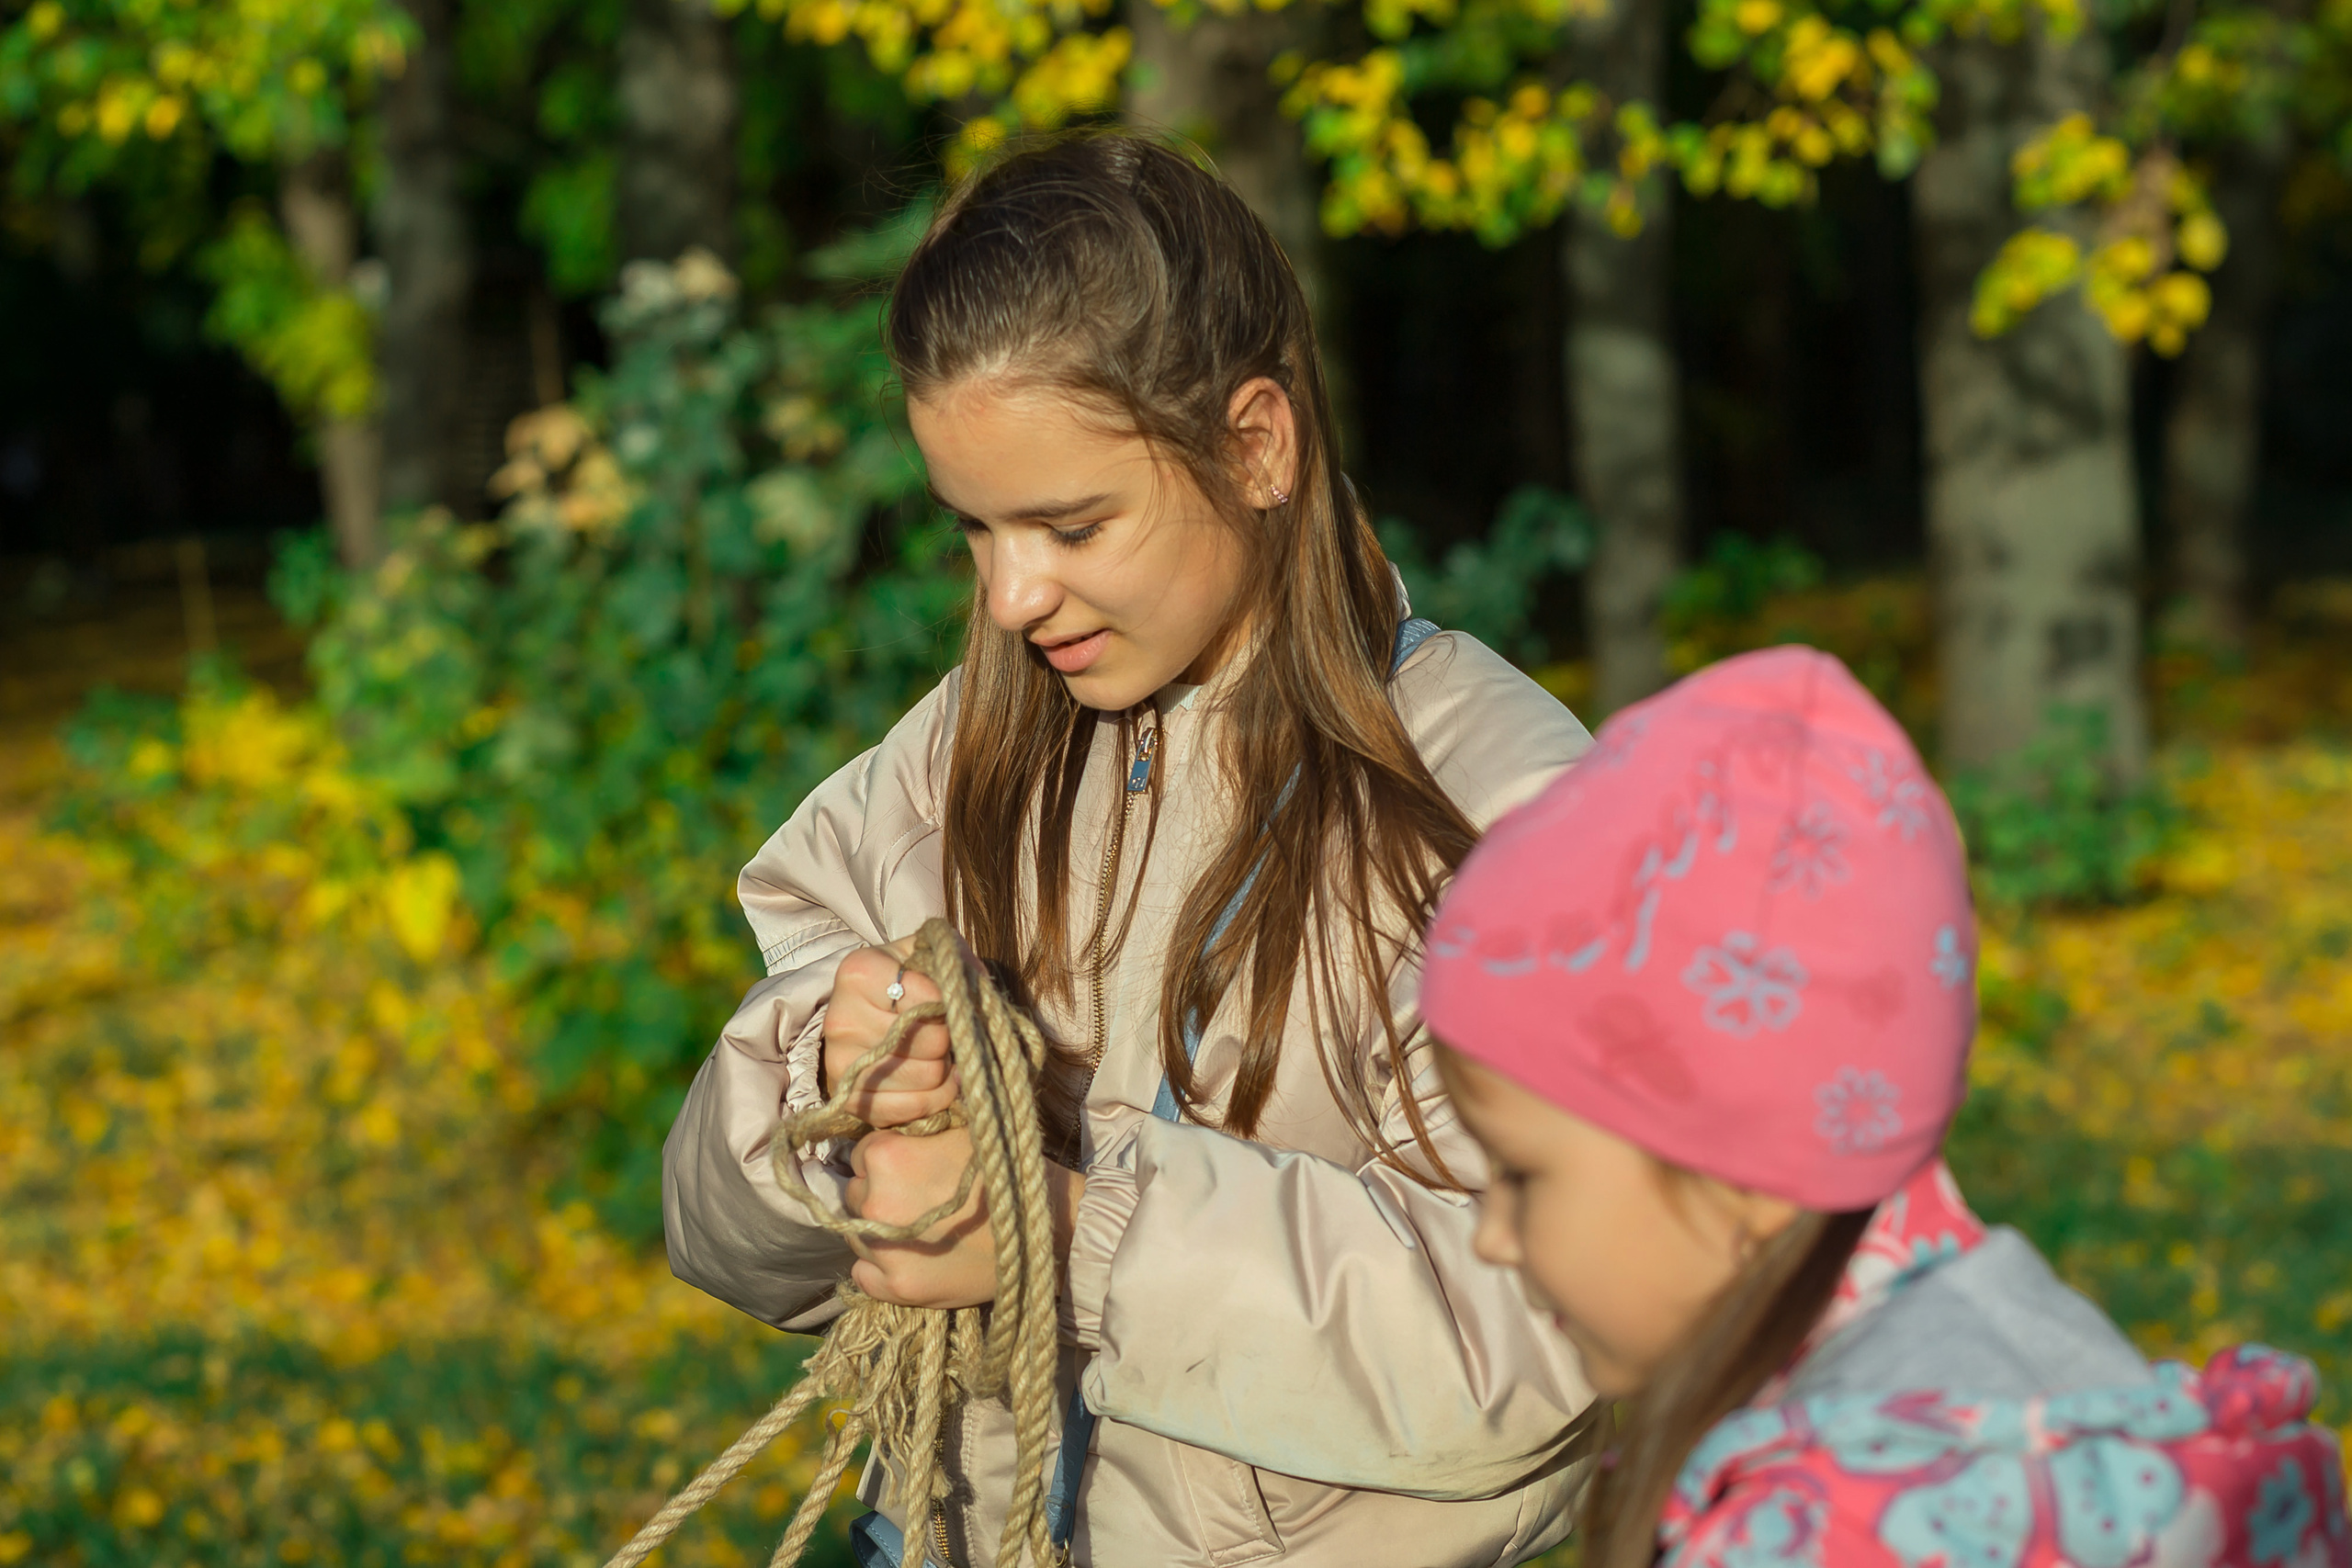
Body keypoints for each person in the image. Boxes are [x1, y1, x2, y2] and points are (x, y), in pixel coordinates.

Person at [662, 132, 1600, 1567]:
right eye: (972, 527)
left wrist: (1062, 1226)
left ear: (1256, 443)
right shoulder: (959, 752)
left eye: (1070, 521)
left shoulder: (1504, 813)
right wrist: (826, 1092)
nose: (1014, 592)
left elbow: (1552, 1337)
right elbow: (724, 1241)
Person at [1419, 644, 2352, 1568]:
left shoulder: (1822, 1532)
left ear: (1740, 1164)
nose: (1493, 1235)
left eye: (1519, 1173)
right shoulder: (2072, 1415)